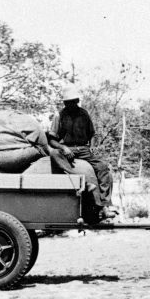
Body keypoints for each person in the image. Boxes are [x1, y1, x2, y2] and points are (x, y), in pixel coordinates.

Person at [45, 86, 117, 220]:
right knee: (54, 154)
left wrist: (93, 147)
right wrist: (63, 148)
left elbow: (92, 134)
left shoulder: (84, 114)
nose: (70, 104)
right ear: (64, 103)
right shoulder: (59, 116)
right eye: (68, 102)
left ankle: (105, 204)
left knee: (103, 167)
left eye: (73, 101)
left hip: (84, 149)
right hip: (68, 149)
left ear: (77, 101)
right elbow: (52, 140)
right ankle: (81, 181)